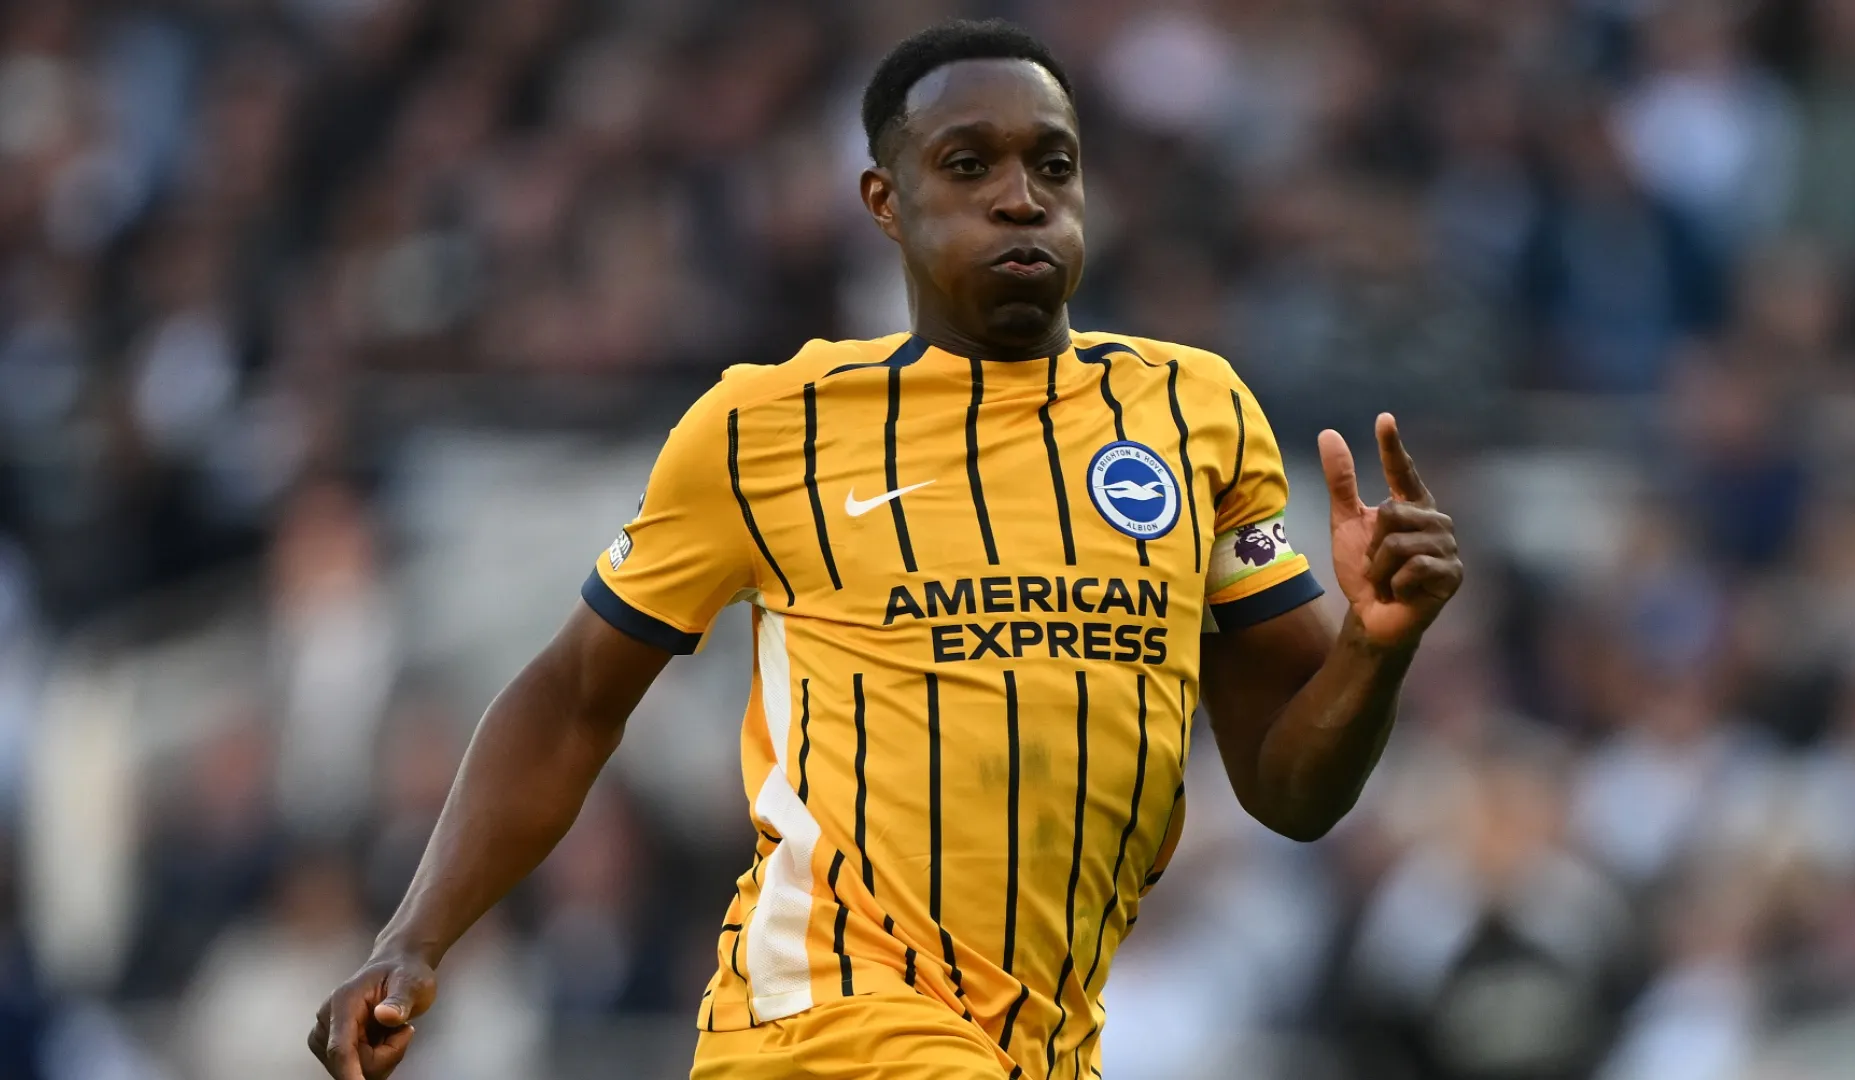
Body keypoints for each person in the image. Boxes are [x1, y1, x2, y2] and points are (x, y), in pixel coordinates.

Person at [310, 19, 1463, 1080]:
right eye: (969, 166)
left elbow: (1293, 791)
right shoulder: (768, 427)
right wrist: (415, 938)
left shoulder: (1193, 415)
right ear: (885, 200)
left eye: (1052, 165)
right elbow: (572, 697)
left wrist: (1374, 648)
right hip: (827, 1024)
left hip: (1045, 1045)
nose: (1021, 199)